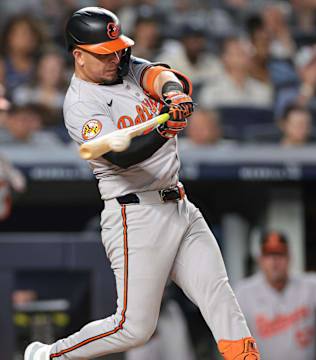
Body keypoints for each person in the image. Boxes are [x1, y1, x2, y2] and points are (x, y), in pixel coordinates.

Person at [24, 7, 260, 360]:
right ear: (79, 56)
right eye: (104, 53)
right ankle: (48, 356)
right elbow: (123, 156)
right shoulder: (80, 104)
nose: (114, 58)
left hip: (180, 206)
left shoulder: (125, 66)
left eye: (117, 48)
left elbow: (160, 75)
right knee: (134, 327)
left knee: (218, 295)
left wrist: (175, 95)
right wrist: (165, 128)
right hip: (134, 215)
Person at [234, 230, 316, 360]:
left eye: (280, 254)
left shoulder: (312, 284)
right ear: (260, 260)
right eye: (268, 255)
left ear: (289, 257)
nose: (274, 261)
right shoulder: (243, 292)